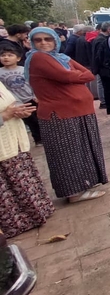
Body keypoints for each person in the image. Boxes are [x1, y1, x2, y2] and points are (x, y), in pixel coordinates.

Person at [25, 27, 107, 203]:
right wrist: (75, 76)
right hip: (61, 115)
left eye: (47, 39)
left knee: (80, 151)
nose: (43, 43)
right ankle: (74, 192)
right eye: (38, 40)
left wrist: (74, 75)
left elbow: (89, 74)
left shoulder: (60, 57)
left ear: (56, 39)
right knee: (68, 154)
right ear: (31, 42)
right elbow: (67, 76)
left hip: (77, 112)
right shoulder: (38, 58)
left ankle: (84, 183)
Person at [0, 82, 53, 237]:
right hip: (3, 148)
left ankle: (36, 214)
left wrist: (20, 111)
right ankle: (17, 224)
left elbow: (11, 102)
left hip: (14, 140)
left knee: (24, 181)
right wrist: (4, 116)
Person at [0, 45, 41, 146]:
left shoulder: (24, 69)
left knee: (38, 119)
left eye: (10, 55)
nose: (6, 57)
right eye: (3, 55)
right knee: (29, 121)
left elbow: (32, 83)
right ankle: (38, 139)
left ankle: (44, 136)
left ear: (18, 58)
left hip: (30, 98)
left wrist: (36, 95)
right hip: (16, 102)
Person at [92, 23, 110, 115]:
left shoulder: (100, 39)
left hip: (104, 68)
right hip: (105, 69)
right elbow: (100, 56)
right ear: (109, 29)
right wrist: (107, 65)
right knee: (109, 88)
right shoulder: (101, 40)